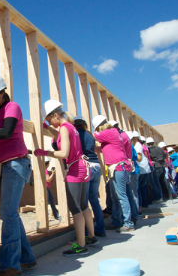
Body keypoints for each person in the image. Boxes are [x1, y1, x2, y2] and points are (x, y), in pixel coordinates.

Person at [0, 72, 36, 276]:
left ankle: (11, 265)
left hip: (16, 163)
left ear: (2, 92)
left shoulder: (12, 107)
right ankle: (27, 258)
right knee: (10, 213)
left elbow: (5, 132)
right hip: (2, 166)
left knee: (7, 214)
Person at [35, 100, 97, 256]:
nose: (51, 123)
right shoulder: (71, 127)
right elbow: (62, 136)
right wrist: (48, 128)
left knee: (75, 208)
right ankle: (92, 237)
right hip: (82, 168)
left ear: (55, 115)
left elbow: (63, 153)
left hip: (75, 170)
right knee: (83, 205)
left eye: (49, 120)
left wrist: (44, 153)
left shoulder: (64, 127)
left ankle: (81, 245)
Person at [92, 116, 135, 233]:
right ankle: (116, 221)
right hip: (117, 168)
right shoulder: (113, 134)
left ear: (99, 126)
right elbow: (104, 148)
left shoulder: (109, 132)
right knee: (116, 197)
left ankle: (128, 223)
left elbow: (93, 136)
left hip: (118, 167)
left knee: (121, 196)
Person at [73, 116, 105, 237]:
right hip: (96, 167)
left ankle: (85, 234)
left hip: (86, 168)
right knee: (94, 200)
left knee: (83, 202)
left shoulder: (76, 135)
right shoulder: (90, 136)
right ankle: (100, 229)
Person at [134, 132, 151, 209]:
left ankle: (140, 206)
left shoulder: (137, 145)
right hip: (145, 169)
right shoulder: (140, 145)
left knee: (138, 189)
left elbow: (138, 158)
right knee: (142, 188)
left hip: (141, 169)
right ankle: (145, 204)